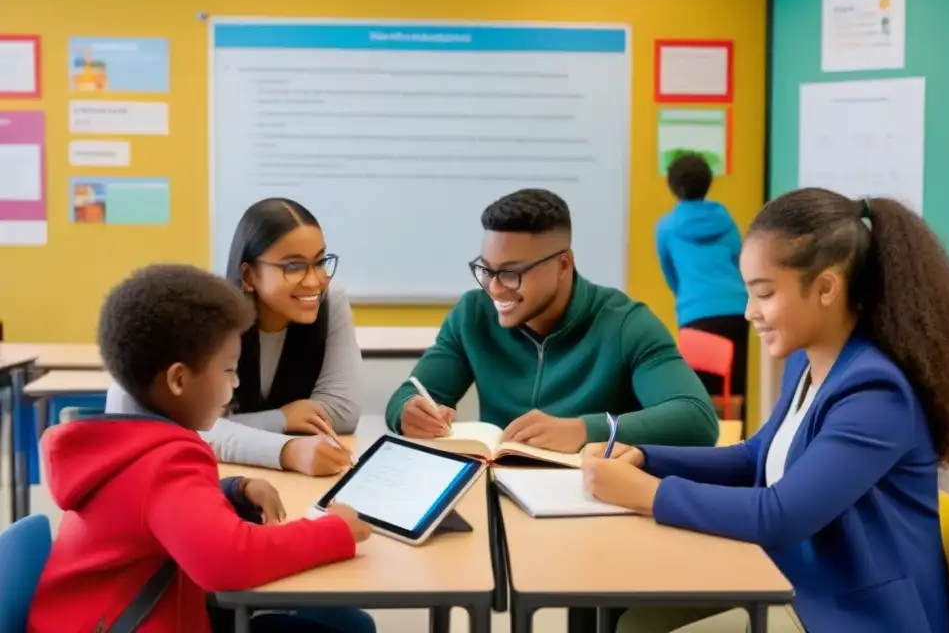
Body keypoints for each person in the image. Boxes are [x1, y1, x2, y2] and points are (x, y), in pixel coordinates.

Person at [581, 188, 949, 633]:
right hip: (800, 581)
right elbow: (755, 456)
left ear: (826, 287)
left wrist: (645, 493)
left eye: (765, 294)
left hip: (857, 613)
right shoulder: (808, 360)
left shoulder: (876, 393)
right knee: (635, 618)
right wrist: (645, 457)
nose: (750, 312)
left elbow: (779, 517)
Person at [29, 264, 376, 633]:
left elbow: (151, 511)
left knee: (345, 623)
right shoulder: (167, 461)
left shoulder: (129, 443)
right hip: (130, 623)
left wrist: (231, 490)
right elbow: (227, 562)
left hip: (95, 617)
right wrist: (333, 530)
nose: (236, 382)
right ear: (179, 379)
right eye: (228, 370)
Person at [385, 188, 719, 450]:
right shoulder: (472, 315)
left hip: (594, 503)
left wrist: (583, 430)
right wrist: (408, 412)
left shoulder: (626, 324)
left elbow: (697, 420)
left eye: (512, 273)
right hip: (494, 492)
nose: (496, 288)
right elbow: (406, 397)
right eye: (487, 269)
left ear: (563, 265)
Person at [106, 197, 361, 476]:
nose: (315, 281)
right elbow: (186, 428)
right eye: (293, 266)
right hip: (202, 474)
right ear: (249, 275)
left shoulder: (330, 303)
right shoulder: (209, 318)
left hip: (269, 479)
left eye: (320, 262)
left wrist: (234, 424)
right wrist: (281, 422)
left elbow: (341, 413)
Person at [657, 153, 749, 422]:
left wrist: (688, 298)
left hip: (695, 313)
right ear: (708, 182)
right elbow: (740, 259)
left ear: (672, 185)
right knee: (734, 393)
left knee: (699, 397)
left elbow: (670, 273)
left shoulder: (667, 227)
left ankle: (704, 452)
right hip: (736, 310)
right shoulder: (724, 218)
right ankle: (740, 448)